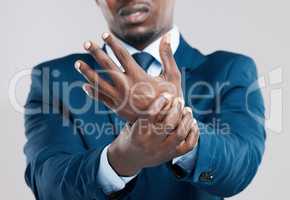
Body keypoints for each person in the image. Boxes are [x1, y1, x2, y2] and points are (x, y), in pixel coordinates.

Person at [24, 0, 266, 199]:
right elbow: (49, 185)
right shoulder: (53, 80)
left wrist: (175, 125)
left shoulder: (229, 70)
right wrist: (121, 157)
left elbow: (239, 168)